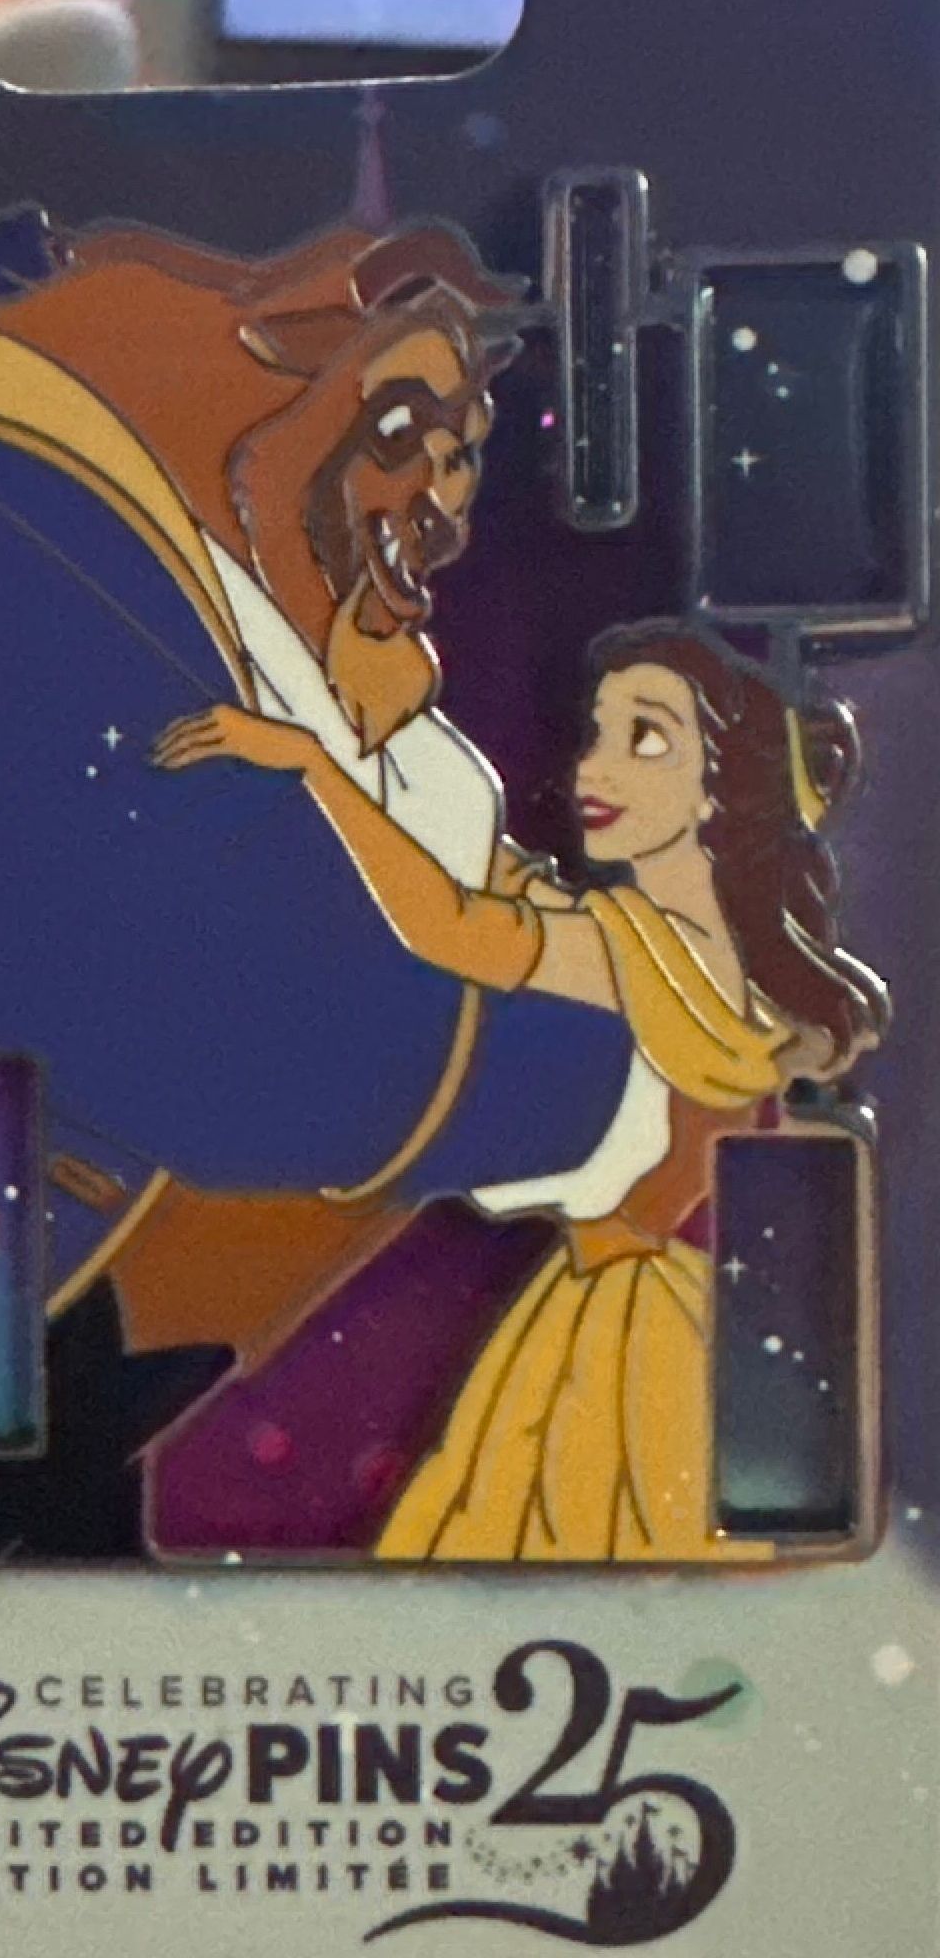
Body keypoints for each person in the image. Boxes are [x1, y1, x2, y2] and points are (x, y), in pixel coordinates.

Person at [153, 621, 888, 1563]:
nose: (594, 769)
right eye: (597, 733)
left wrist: (314, 766)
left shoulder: (654, 953)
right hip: (634, 1309)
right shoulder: (663, 940)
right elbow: (492, 877)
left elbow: (455, 926)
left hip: (639, 1340)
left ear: (721, 785)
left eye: (646, 738)